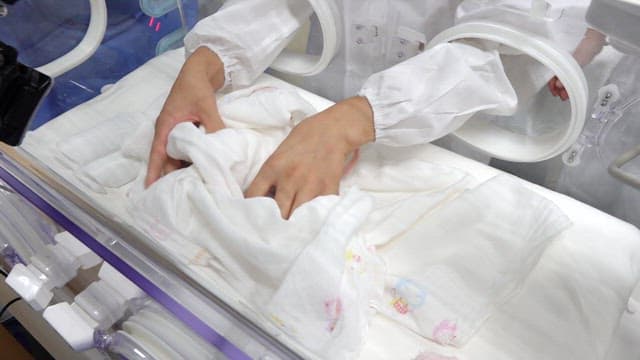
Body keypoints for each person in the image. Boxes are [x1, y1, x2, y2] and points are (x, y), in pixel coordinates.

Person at [145, 0, 476, 219]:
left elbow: (499, 46)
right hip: (315, 110)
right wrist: (209, 60)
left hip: (436, 133)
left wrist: (359, 118)